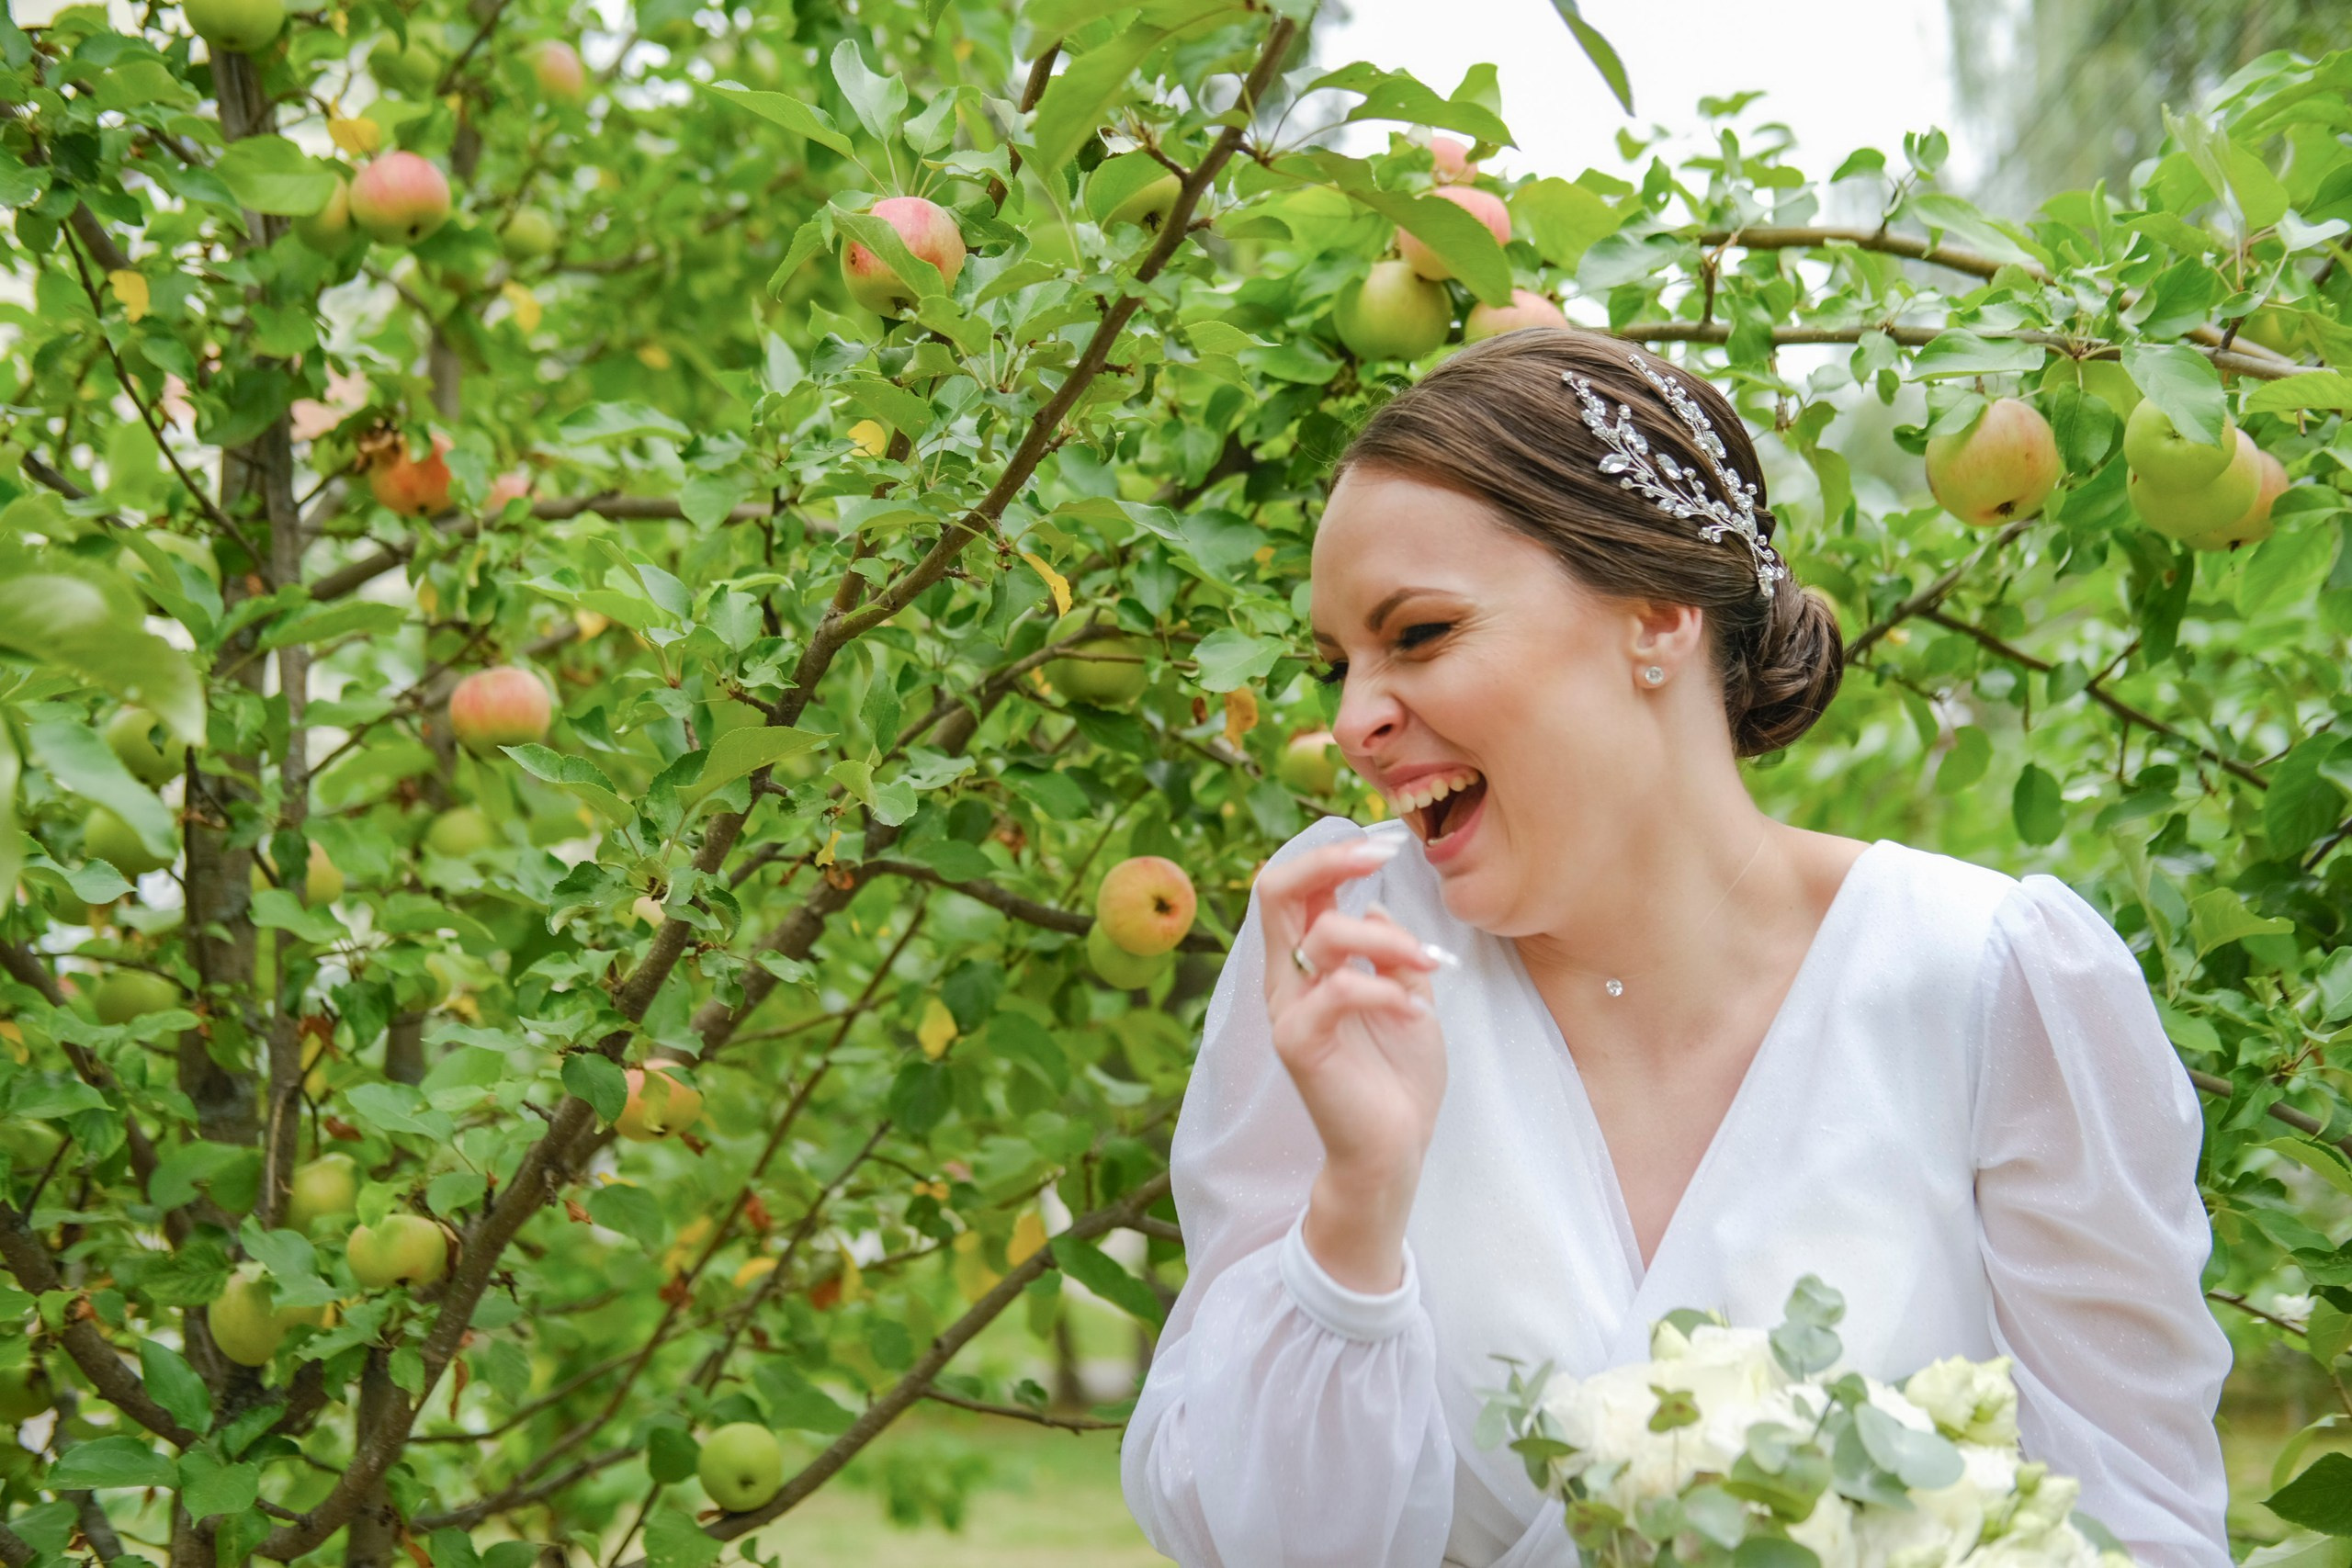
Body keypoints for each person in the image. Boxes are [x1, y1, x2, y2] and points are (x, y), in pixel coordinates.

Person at [1119, 329, 2231, 1568]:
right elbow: (1248, 1539)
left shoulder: (1990, 983)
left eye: (1418, 634)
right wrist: (1357, 1207)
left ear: (1656, 617)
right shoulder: (1346, 957)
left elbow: (2142, 1527)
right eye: (1339, 665)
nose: (1351, 722)